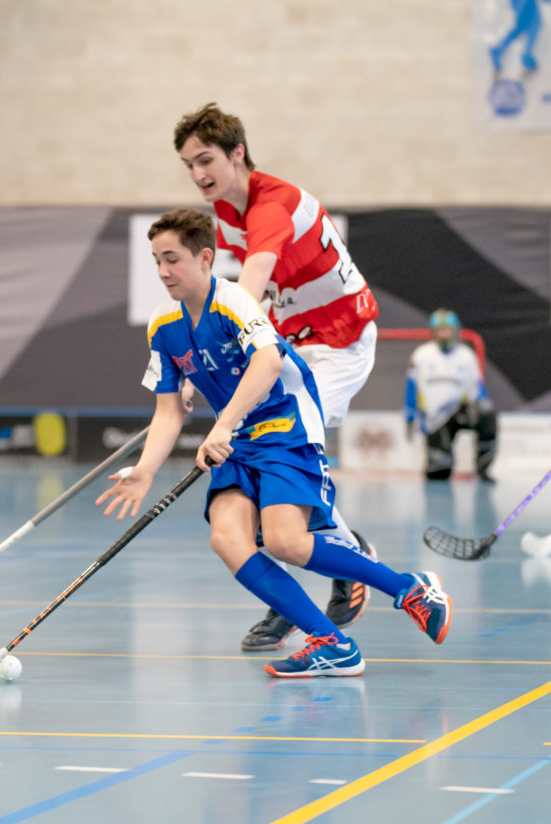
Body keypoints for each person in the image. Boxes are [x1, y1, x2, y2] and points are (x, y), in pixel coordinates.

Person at [96, 209, 452, 678]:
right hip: (238, 436)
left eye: (172, 259)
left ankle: (409, 589)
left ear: (205, 258)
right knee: (227, 539)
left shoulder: (234, 301)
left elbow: (267, 363)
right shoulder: (162, 325)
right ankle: (332, 643)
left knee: (286, 541)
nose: (163, 271)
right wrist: (145, 471)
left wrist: (223, 425)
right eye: (156, 261)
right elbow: (168, 411)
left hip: (285, 422)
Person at [174, 103, 376, 652]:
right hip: (293, 342)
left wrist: (208, 353)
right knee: (256, 455)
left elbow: (246, 290)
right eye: (189, 164)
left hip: (339, 345)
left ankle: (350, 555)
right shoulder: (226, 211)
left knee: (279, 450)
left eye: (206, 160)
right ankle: (288, 597)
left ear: (237, 153)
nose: (197, 174)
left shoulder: (272, 205)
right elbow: (249, 302)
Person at [404, 309, 498, 481]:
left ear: (456, 331)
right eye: (441, 330)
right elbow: (411, 387)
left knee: (487, 412)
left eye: (448, 330)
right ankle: (441, 462)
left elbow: (478, 388)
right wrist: (410, 415)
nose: (445, 335)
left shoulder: (467, 355)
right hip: (435, 417)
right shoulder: (421, 355)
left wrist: (481, 407)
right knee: (438, 472)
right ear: (433, 332)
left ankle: (483, 466)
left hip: (460, 411)